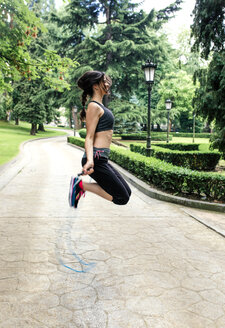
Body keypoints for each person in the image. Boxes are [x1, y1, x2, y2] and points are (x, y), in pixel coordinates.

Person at [69, 70, 131, 208]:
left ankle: (81, 186)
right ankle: (80, 185)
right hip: (96, 158)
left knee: (127, 192)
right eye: (103, 81)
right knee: (122, 197)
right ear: (95, 86)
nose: (107, 83)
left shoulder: (100, 106)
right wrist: (90, 160)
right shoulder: (94, 106)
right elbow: (89, 137)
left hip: (101, 158)